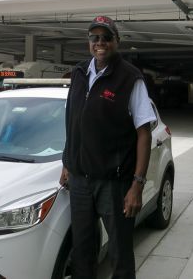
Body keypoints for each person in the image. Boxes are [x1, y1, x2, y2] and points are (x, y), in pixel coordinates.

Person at [60, 15, 156, 279]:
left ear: (117, 41)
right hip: (80, 181)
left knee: (119, 252)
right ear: (89, 41)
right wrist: (67, 161)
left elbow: (144, 133)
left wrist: (137, 184)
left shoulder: (130, 78)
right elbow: (72, 121)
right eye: (95, 37)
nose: (100, 42)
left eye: (106, 37)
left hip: (113, 184)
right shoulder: (79, 73)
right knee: (82, 249)